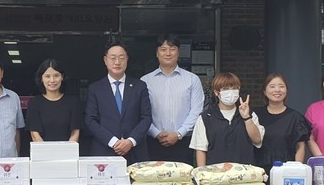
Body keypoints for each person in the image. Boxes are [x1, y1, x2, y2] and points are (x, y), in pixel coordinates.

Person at [140, 34, 204, 165]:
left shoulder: (192, 79)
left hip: (184, 142)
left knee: (183, 177)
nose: (168, 53)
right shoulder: (145, 81)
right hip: (153, 142)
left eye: (172, 49)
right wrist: (156, 133)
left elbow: (196, 111)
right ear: (157, 53)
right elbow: (141, 113)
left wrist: (179, 134)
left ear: (178, 52)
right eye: (163, 49)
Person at [85, 41, 152, 164]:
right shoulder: (95, 88)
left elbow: (146, 118)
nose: (117, 62)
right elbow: (90, 120)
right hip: (104, 151)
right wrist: (113, 142)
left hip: (135, 152)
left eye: (121, 58)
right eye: (113, 58)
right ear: (105, 60)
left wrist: (130, 141)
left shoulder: (139, 86)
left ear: (127, 60)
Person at [189, 72, 264, 167]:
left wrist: (246, 117)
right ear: (216, 92)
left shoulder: (250, 114)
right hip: (216, 172)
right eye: (226, 89)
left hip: (245, 172)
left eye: (234, 88)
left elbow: (257, 140)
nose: (231, 92)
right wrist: (202, 172)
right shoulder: (206, 117)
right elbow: (200, 149)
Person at [252, 73, 312, 173]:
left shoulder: (295, 117)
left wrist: (297, 171)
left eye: (281, 86)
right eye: (272, 86)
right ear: (264, 91)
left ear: (286, 90)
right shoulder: (255, 115)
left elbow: (300, 147)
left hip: (287, 170)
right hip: (259, 170)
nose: (277, 90)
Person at [27, 59, 82, 142]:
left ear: (62, 77)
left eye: (56, 75)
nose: (52, 80)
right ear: (41, 78)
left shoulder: (73, 102)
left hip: (68, 150)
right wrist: (47, 150)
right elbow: (35, 134)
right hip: (42, 150)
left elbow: (75, 132)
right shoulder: (34, 103)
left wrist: (67, 149)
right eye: (47, 76)